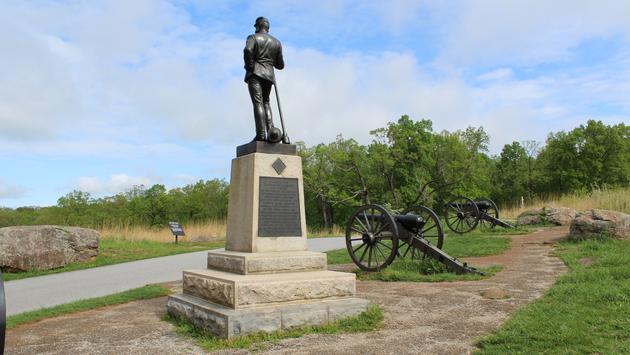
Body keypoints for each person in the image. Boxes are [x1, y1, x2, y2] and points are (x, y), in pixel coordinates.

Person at [244, 17, 284, 142]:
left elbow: (248, 50)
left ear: (257, 27)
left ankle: (261, 135)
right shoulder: (277, 43)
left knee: (258, 102)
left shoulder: (253, 37)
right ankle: (271, 133)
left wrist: (250, 66)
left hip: (255, 73)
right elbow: (280, 65)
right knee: (266, 102)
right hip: (269, 76)